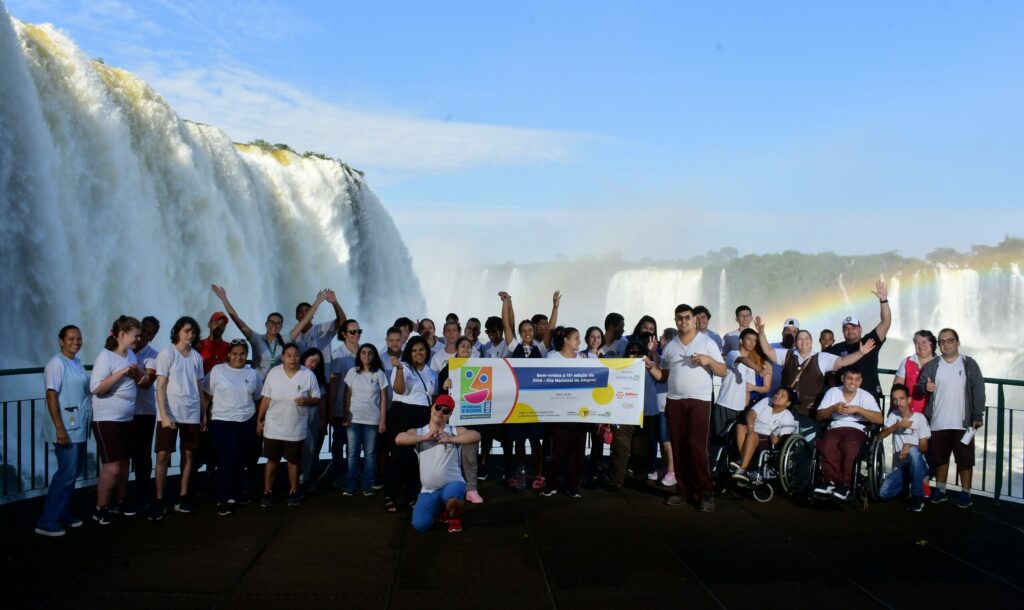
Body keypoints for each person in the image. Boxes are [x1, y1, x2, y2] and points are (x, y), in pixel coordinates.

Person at [647, 304, 726, 512]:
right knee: (679, 446)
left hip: (700, 400)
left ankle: (705, 491)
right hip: (674, 401)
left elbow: (723, 371)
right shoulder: (671, 346)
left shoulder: (707, 342)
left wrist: (708, 361)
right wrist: (650, 367)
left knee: (696, 446)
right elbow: (664, 375)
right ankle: (683, 490)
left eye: (687, 317)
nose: (684, 321)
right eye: (679, 318)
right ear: (675, 321)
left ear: (693, 319)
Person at [752, 319, 875, 435]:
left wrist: (860, 353)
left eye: (806, 339)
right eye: (800, 339)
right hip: (786, 408)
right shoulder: (787, 355)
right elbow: (768, 350)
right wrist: (761, 333)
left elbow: (843, 361)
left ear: (811, 342)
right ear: (796, 342)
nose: (803, 342)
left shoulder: (821, 358)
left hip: (808, 411)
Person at [917, 328, 985, 509]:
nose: (945, 344)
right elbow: (921, 384)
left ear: (957, 342)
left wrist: (978, 414)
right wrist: (926, 386)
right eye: (941, 342)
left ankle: (966, 494)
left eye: (949, 341)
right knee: (940, 459)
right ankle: (940, 491)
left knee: (964, 460)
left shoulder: (968, 364)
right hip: (938, 421)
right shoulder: (932, 365)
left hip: (963, 422)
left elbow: (978, 389)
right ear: (938, 345)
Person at [36, 325, 93, 536]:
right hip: (65, 427)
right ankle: (46, 520)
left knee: (73, 472)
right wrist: (59, 427)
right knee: (66, 473)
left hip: (76, 425)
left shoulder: (75, 362)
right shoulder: (56, 364)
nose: (75, 342)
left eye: (78, 338)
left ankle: (62, 513)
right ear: (61, 341)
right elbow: (51, 395)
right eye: (70, 338)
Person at [397, 395, 481, 534]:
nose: (441, 411)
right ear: (432, 408)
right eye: (438, 407)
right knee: (420, 525)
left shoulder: (454, 430)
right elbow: (399, 439)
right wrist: (425, 437)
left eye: (446, 410)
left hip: (453, 483)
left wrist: (451, 439)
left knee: (453, 500)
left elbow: (476, 435)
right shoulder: (420, 432)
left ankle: (453, 517)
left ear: (450, 414)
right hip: (429, 489)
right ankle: (441, 509)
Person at [152, 316, 207, 519]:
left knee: (189, 455)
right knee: (163, 455)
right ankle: (158, 499)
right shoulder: (167, 354)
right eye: (186, 331)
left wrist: (203, 413)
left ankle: (182, 497)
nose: (190, 335)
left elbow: (200, 387)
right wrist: (164, 415)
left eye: (193, 331)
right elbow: (161, 386)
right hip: (170, 411)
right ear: (177, 332)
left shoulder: (196, 357)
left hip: (191, 412)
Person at [89, 316, 142, 525]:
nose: (139, 339)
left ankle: (118, 502)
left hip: (127, 418)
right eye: (135, 335)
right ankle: (99, 508)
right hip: (107, 418)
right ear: (122, 334)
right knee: (112, 465)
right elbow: (96, 388)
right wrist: (122, 372)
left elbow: (136, 382)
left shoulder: (130, 355)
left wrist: (140, 375)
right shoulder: (106, 357)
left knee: (124, 463)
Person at [257, 343, 321, 508]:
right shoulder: (274, 373)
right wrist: (260, 419)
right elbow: (266, 398)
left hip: (296, 428)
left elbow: (317, 398)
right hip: (274, 427)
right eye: (289, 355)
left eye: (296, 355)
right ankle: (267, 492)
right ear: (282, 357)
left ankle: (294, 490)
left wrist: (306, 400)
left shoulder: (307, 375)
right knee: (272, 460)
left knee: (294, 461)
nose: (293, 358)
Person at [206, 339, 262, 515]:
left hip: (246, 421)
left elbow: (258, 398)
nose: (239, 357)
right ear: (228, 354)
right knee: (226, 459)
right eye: (235, 353)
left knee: (240, 459)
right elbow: (206, 394)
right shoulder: (217, 370)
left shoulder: (252, 373)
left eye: (242, 354)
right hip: (222, 421)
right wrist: (202, 416)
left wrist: (260, 420)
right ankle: (223, 498)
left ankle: (236, 494)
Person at [383, 336, 439, 512]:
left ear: (426, 352)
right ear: (409, 353)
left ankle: (411, 496)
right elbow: (398, 389)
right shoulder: (404, 367)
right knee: (400, 456)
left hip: (422, 416)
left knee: (416, 458)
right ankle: (390, 495)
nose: (418, 353)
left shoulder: (431, 372)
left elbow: (432, 396)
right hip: (402, 414)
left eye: (421, 349)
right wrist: (399, 368)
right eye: (414, 350)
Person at [499, 291, 548, 489]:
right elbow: (506, 325)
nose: (527, 333)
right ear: (520, 333)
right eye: (524, 330)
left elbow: (551, 327)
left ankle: (538, 474)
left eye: (530, 330)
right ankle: (520, 473)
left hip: (535, 404)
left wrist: (555, 307)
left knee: (536, 441)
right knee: (519, 441)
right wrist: (506, 302)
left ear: (534, 331)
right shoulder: (513, 347)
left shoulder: (541, 349)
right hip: (517, 403)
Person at [813, 369, 883, 501]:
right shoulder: (833, 392)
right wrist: (833, 408)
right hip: (835, 426)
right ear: (843, 379)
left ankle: (845, 484)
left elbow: (879, 419)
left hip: (857, 428)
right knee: (828, 441)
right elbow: (819, 416)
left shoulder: (866, 396)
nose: (853, 382)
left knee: (850, 444)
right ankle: (829, 481)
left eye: (857, 379)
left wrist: (858, 409)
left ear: (861, 381)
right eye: (850, 378)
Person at [541, 326, 588, 498]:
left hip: (578, 413)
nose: (579, 341)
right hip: (558, 413)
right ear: (566, 340)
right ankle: (551, 484)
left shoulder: (583, 359)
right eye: (576, 338)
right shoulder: (552, 357)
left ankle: (573, 486)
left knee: (576, 452)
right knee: (558, 451)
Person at [826, 280, 892, 402]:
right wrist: (834, 391)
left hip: (869, 396)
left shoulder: (869, 341)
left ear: (860, 329)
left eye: (853, 327)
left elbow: (885, 322)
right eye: (846, 328)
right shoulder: (836, 349)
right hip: (844, 398)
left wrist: (883, 300)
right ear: (842, 331)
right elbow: (828, 372)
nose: (850, 330)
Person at [438, 336, 484, 503]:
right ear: (456, 349)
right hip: (452, 421)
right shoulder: (448, 368)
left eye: (468, 346)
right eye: (462, 346)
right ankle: (453, 490)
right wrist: (444, 387)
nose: (466, 348)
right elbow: (438, 397)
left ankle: (471, 489)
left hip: (471, 419)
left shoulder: (478, 367)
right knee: (451, 458)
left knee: (470, 457)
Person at [342, 343, 389, 496]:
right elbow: (347, 396)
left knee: (370, 453)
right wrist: (346, 416)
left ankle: (367, 485)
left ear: (374, 355)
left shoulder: (379, 374)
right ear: (359, 355)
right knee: (352, 453)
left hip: (372, 420)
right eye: (363, 353)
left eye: (370, 353)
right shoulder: (352, 372)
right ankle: (352, 485)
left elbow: (383, 399)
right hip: (354, 419)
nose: (366, 356)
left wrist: (382, 421)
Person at [211, 285, 285, 379]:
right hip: (258, 387)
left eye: (278, 323)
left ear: (282, 326)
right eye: (271, 322)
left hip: (277, 388)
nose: (274, 325)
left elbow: (302, 323)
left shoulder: (285, 340)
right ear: (266, 324)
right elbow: (238, 321)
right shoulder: (257, 339)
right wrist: (224, 299)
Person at [878, 384, 931, 512]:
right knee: (883, 492)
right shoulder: (893, 416)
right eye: (895, 399)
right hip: (901, 467)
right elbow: (880, 435)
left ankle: (917, 496)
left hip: (918, 464)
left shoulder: (920, 418)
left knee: (913, 452)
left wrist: (910, 446)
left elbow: (924, 447)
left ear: (909, 400)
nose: (898, 403)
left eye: (901, 398)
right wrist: (897, 426)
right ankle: (909, 482)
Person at [713, 329, 772, 443]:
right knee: (719, 441)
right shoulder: (733, 354)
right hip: (724, 405)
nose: (752, 343)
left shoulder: (750, 365)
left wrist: (745, 408)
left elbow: (747, 389)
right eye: (749, 339)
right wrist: (758, 369)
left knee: (733, 442)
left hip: (739, 410)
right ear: (741, 340)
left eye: (755, 340)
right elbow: (742, 359)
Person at [731, 388, 798, 483]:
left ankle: (743, 467)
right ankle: (746, 463)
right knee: (739, 427)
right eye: (777, 393)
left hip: (765, 440)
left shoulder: (788, 417)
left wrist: (775, 437)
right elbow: (750, 415)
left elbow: (780, 439)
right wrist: (751, 430)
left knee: (752, 436)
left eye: (782, 396)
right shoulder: (766, 401)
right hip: (752, 431)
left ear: (788, 403)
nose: (777, 396)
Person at [325, 319, 362, 486]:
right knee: (340, 441)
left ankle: (352, 473)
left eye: (358, 331)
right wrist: (331, 408)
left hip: (360, 407)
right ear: (344, 334)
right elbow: (333, 384)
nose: (356, 335)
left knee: (355, 443)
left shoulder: (364, 352)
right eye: (353, 332)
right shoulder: (338, 355)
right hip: (341, 406)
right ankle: (339, 473)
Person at [129, 316, 159, 514]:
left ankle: (142, 496)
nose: (144, 337)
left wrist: (135, 374)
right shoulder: (124, 349)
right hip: (123, 412)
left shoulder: (153, 355)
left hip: (144, 412)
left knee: (142, 457)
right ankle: (120, 498)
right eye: (143, 332)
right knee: (123, 456)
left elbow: (147, 382)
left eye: (149, 334)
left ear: (153, 336)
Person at [289, 288, 346, 371]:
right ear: (296, 316)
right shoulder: (293, 338)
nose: (304, 314)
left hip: (324, 379)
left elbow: (343, 323)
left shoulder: (323, 328)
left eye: (308, 311)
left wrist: (335, 302)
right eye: (301, 312)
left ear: (312, 315)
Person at [299, 348, 329, 489]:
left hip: (314, 417)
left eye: (317, 363)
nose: (314, 365)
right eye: (312, 361)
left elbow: (322, 400)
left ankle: (304, 478)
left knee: (310, 450)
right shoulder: (295, 373)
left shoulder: (318, 377)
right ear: (305, 358)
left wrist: (323, 420)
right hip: (297, 417)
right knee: (299, 447)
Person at [893, 330, 938, 413]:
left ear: (931, 343)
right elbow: (897, 387)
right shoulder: (906, 362)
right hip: (907, 412)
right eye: (917, 343)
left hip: (931, 414)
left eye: (924, 342)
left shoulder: (940, 363)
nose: (920, 346)